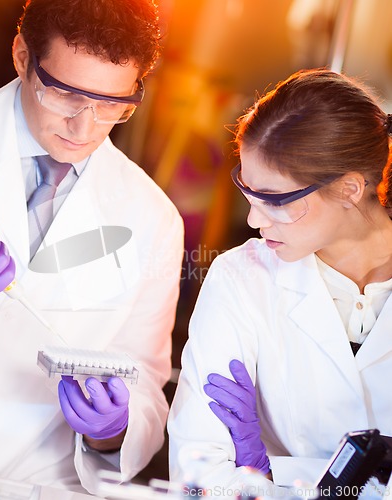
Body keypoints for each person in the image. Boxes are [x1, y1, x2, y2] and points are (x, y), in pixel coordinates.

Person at [0, 0, 184, 494]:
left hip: (32, 487)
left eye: (113, 105)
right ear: (23, 57)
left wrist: (112, 432)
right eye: (65, 95)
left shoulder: (153, 218)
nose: (84, 127)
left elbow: (147, 390)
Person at [167, 68, 392, 494]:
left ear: (348, 189)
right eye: (248, 192)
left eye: (276, 200)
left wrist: (274, 475)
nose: (253, 220)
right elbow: (197, 478)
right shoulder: (241, 280)